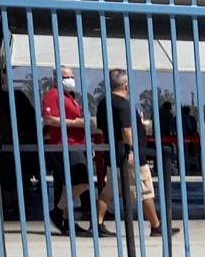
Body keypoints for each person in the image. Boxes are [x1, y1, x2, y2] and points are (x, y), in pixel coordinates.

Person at [101, 69, 176, 239]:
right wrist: (131, 150)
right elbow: (127, 130)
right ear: (126, 85)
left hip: (113, 154)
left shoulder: (104, 103)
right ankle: (156, 226)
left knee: (110, 190)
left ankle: (97, 222)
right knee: (145, 190)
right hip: (130, 155)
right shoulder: (122, 104)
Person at [40, 66, 109, 235]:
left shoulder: (70, 97)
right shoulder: (53, 95)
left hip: (78, 143)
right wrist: (75, 123)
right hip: (65, 144)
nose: (70, 79)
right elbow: (48, 118)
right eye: (66, 76)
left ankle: (64, 218)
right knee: (81, 181)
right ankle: (58, 211)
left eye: (71, 76)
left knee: (71, 184)